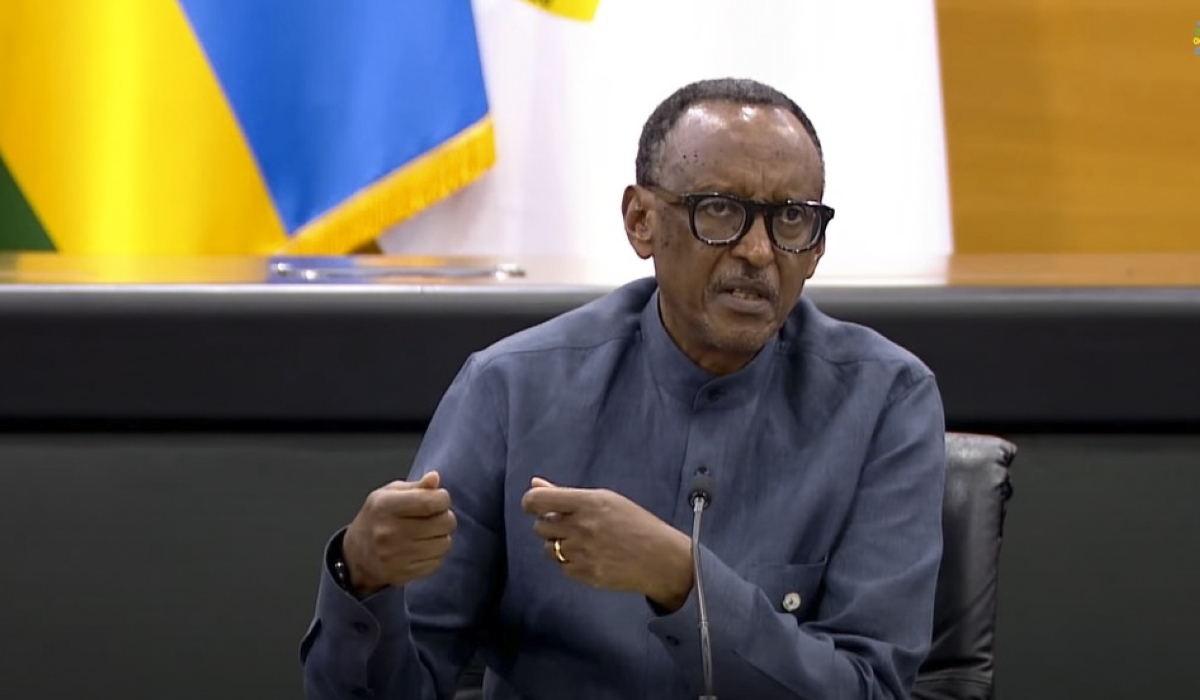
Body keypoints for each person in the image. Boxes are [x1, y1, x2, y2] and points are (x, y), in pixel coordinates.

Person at [300, 77, 946, 700]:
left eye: (792, 219)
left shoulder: (886, 401)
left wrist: (679, 580)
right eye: (720, 210)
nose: (757, 250)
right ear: (641, 220)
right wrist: (362, 579)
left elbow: (870, 689)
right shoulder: (512, 389)